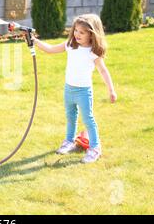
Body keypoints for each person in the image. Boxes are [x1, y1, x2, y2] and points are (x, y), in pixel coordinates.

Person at [31, 14, 117, 163]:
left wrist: (111, 90)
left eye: (82, 32)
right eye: (76, 30)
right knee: (71, 116)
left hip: (83, 92)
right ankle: (69, 141)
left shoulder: (93, 52)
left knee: (88, 119)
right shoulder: (70, 45)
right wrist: (35, 41)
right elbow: (51, 49)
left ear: (92, 34)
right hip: (68, 89)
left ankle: (95, 148)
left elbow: (103, 70)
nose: (77, 34)